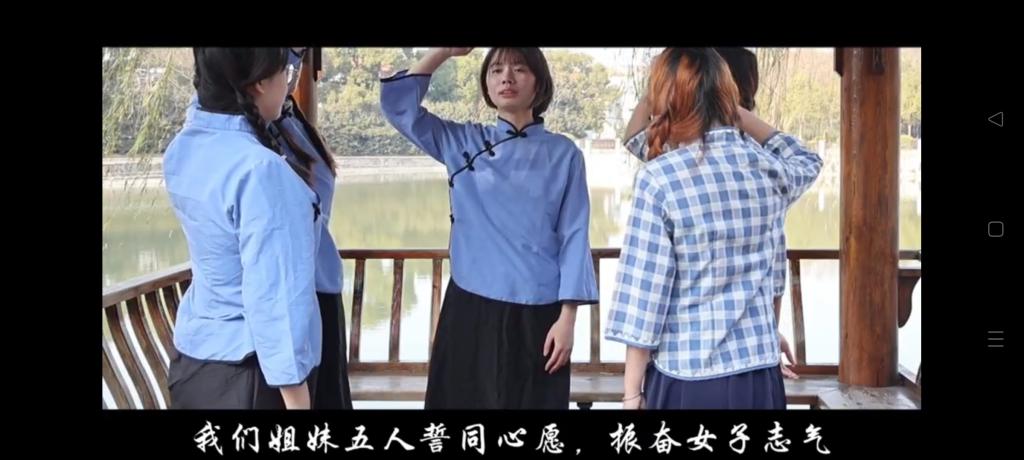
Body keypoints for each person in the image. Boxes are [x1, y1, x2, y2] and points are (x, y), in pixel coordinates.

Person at [379, 47, 599, 409]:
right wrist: (444, 52)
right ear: (486, 83)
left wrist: (568, 319)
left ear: (539, 82)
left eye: (519, 69)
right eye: (496, 70)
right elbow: (398, 107)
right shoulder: (461, 142)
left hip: (539, 314)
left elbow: (574, 237)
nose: (506, 78)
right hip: (470, 307)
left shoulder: (565, 154)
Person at [605, 48, 822, 410]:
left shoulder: (661, 177)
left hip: (688, 373)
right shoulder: (768, 170)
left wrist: (631, 392)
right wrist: (731, 109)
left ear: (667, 98)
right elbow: (806, 159)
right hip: (759, 372)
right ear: (728, 96)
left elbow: (643, 295)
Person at [164, 47, 321, 409]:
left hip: (194, 363)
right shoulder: (261, 171)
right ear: (260, 84)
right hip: (250, 372)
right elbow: (275, 298)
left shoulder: (183, 148)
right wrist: (297, 400)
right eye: (285, 74)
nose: (287, 85)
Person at [270, 47, 353, 409]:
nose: (293, 64)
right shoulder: (253, 134)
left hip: (321, 285)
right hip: (289, 293)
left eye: (300, 53)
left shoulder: (291, 120)